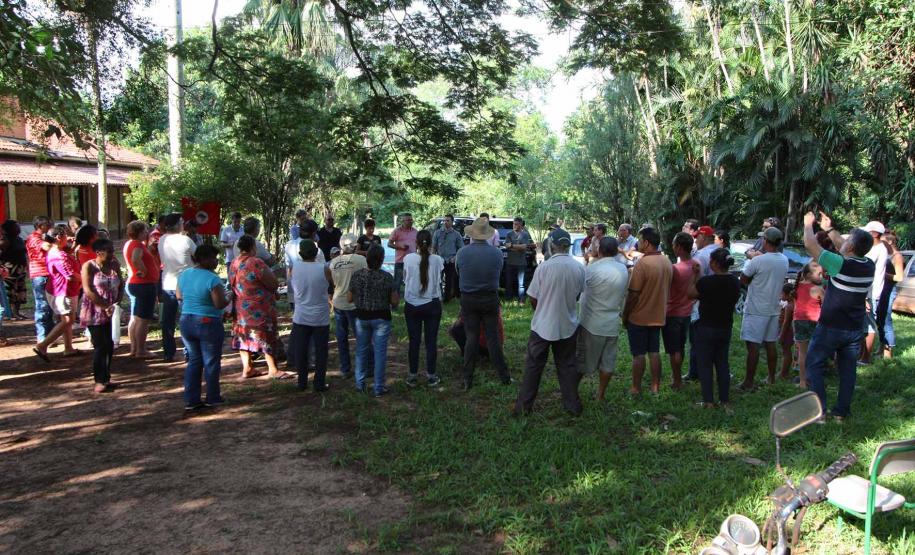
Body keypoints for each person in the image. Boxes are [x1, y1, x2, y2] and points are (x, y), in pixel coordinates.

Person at [802, 211, 874, 421]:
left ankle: (819, 411)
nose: (844, 241)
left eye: (848, 239)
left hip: (831, 327)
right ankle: (841, 413)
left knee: (814, 364)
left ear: (851, 247)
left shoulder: (840, 264)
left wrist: (808, 225)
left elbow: (810, 245)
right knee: (847, 372)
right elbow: (847, 245)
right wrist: (830, 229)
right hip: (854, 328)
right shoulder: (868, 264)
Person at [513, 227, 586, 415]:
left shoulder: (544, 267)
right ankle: (572, 406)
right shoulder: (579, 268)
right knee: (567, 366)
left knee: (533, 367)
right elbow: (578, 294)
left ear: (551, 246)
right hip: (568, 324)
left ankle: (523, 407)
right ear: (567, 246)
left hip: (543, 325)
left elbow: (533, 297)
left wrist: (542, 310)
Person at [456, 218, 511, 389]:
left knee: (471, 338)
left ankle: (467, 378)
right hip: (489, 298)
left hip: (469, 298)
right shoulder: (496, 253)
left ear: (472, 234)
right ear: (487, 235)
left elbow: (459, 272)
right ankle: (504, 376)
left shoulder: (462, 253)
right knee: (492, 337)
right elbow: (499, 271)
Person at [177, 244, 230, 410]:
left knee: (194, 360)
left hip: (186, 320)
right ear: (204, 259)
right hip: (208, 321)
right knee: (211, 361)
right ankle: (212, 396)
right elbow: (219, 303)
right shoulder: (212, 279)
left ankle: (191, 399)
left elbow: (179, 295)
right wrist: (229, 297)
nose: (216, 261)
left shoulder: (185, 274)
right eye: (214, 258)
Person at [576, 237, 628, 401]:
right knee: (608, 362)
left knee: (582, 361)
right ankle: (600, 395)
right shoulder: (623, 269)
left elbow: (579, 289)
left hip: (591, 323)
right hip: (611, 323)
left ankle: (572, 392)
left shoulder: (592, 269)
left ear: (600, 250)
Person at [622, 227, 672, 395]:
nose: (638, 243)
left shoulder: (643, 263)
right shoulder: (666, 261)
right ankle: (655, 386)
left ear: (647, 243)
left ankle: (636, 387)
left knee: (638, 354)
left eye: (640, 240)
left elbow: (633, 294)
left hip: (639, 316)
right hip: (658, 315)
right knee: (654, 352)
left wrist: (626, 315)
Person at [230, 235, 288, 380]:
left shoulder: (234, 263)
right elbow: (273, 283)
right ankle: (273, 369)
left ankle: (248, 368)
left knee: (244, 337)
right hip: (259, 307)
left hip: (241, 307)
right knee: (266, 335)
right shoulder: (255, 262)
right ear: (253, 247)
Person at [738, 226, 788, 390]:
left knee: (752, 346)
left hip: (755, 308)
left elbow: (743, 280)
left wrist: (752, 258)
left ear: (766, 241)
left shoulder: (758, 261)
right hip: (773, 308)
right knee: (770, 343)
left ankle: (748, 382)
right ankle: (771, 377)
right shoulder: (784, 259)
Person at [689, 248, 740, 407]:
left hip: (705, 327)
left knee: (705, 364)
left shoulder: (706, 282)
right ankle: (724, 399)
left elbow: (691, 294)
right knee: (722, 363)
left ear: (715, 263)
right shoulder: (734, 281)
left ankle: (708, 400)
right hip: (725, 327)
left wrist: (696, 276)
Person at [348, 244, 399, 396]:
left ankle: (360, 384)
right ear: (382, 259)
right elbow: (394, 302)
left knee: (362, 350)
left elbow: (349, 298)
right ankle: (378, 387)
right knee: (380, 353)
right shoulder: (387, 277)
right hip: (381, 318)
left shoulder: (357, 275)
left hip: (362, 317)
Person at [79, 238, 123, 393]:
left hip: (111, 310)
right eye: (109, 251)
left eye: (112, 250)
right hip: (94, 310)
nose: (112, 254)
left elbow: (121, 283)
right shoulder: (89, 266)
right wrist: (104, 306)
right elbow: (88, 290)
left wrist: (116, 302)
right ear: (99, 252)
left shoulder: (114, 264)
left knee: (109, 344)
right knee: (100, 345)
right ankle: (99, 379)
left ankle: (106, 377)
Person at [288, 239, 333, 392]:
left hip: (301, 315)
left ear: (300, 254)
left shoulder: (294, 267)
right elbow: (331, 285)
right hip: (320, 316)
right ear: (316, 252)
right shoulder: (324, 268)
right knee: (321, 351)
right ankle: (319, 383)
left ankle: (302, 382)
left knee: (301, 350)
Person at [32, 227, 82, 361]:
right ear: (59, 238)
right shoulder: (58, 255)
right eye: (65, 236)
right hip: (63, 291)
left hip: (62, 290)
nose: (68, 237)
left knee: (66, 319)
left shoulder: (58, 251)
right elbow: (70, 275)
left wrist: (72, 245)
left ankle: (68, 348)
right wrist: (85, 278)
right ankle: (43, 345)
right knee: (68, 320)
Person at [402, 230, 444, 387]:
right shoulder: (438, 260)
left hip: (412, 304)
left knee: (414, 341)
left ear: (416, 243)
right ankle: (431, 375)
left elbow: (406, 279)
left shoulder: (408, 258)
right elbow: (439, 280)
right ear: (431, 243)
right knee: (431, 341)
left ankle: (412, 375)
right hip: (432, 304)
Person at [159, 213, 197, 362]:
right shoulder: (186, 240)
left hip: (168, 282)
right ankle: (189, 351)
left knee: (168, 320)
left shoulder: (162, 239)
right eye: (182, 222)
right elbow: (198, 255)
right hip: (185, 284)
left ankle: (168, 352)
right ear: (177, 225)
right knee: (187, 318)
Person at [664, 232, 698, 390]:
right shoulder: (697, 265)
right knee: (681, 346)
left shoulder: (674, 269)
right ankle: (677, 376)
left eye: (673, 244)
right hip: (687, 313)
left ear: (678, 247)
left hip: (672, 313)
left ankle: (677, 380)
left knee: (674, 350)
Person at [329, 234, 366, 379]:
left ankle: (345, 369)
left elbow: (332, 282)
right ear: (356, 246)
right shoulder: (361, 260)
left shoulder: (333, 262)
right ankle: (365, 368)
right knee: (361, 337)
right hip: (355, 303)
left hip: (339, 302)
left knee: (342, 337)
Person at [685, 226, 719, 382]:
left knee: (696, 339)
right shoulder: (720, 252)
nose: (695, 240)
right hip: (719, 303)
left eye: (697, 237)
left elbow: (693, 278)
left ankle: (695, 372)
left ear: (704, 237)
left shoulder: (701, 255)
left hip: (700, 303)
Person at [123, 220, 159, 359]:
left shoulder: (130, 243)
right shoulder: (137, 245)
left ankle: (135, 347)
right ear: (139, 232)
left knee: (137, 318)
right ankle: (141, 350)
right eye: (145, 230)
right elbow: (136, 259)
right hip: (143, 284)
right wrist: (143, 271)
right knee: (143, 319)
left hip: (136, 284)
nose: (147, 232)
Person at [859, 220, 888, 364]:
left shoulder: (876, 250)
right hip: (869, 292)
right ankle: (862, 355)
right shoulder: (878, 248)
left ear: (875, 234)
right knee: (865, 324)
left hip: (870, 293)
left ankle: (866, 358)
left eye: (868, 232)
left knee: (869, 325)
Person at [792, 262, 824, 389]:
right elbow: (825, 307)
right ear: (809, 275)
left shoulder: (797, 286)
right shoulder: (818, 289)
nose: (822, 276)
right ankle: (813, 379)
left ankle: (802, 381)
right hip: (814, 322)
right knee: (815, 352)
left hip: (798, 321)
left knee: (802, 353)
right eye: (819, 274)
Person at [876, 230, 905, 359]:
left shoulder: (897, 256)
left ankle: (888, 353)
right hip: (881, 290)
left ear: (890, 241)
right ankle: (881, 347)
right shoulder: (885, 255)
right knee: (880, 319)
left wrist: (882, 274)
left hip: (889, 290)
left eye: (882, 241)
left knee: (886, 321)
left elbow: (899, 277)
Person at [26, 216, 55, 342]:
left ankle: (49, 335)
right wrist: (56, 242)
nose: (50, 226)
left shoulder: (43, 237)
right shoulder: (34, 238)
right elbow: (46, 247)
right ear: (41, 226)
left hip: (48, 274)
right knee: (42, 305)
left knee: (49, 305)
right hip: (40, 274)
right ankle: (42, 336)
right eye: (48, 224)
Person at [0, 220, 28, 320]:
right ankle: (11, 313)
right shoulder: (5, 240)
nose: (19, 228)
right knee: (11, 292)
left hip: (20, 271)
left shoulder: (19, 239)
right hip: (10, 272)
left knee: (20, 292)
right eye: (16, 226)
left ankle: (17, 312)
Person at [432, 214, 464, 303]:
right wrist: (433, 257)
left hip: (450, 260)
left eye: (448, 220)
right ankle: (438, 297)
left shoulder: (456, 234)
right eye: (444, 220)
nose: (445, 222)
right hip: (439, 259)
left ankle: (447, 299)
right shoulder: (438, 233)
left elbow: (461, 248)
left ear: (452, 222)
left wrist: (455, 257)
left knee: (449, 280)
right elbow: (434, 247)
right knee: (437, 279)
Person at [504, 217, 534, 302]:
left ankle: (521, 299)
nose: (514, 225)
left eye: (516, 224)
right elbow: (507, 246)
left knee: (521, 284)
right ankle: (508, 299)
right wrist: (519, 247)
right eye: (513, 224)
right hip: (510, 262)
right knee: (508, 282)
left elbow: (524, 248)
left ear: (521, 224)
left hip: (521, 263)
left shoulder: (525, 234)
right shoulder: (509, 234)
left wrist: (512, 246)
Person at [388, 212, 417, 293]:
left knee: (412, 281)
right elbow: (389, 244)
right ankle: (395, 300)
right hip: (400, 261)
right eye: (408, 220)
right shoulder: (397, 231)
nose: (411, 221)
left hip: (412, 261)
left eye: (411, 220)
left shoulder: (415, 232)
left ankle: (411, 297)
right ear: (403, 221)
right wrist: (400, 247)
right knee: (397, 282)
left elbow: (418, 245)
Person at [778, 283, 795, 380]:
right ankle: (784, 372)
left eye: (782, 294)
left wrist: (781, 335)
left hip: (787, 332)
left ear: (788, 295)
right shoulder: (792, 304)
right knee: (786, 352)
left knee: (786, 352)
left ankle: (783, 373)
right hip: (789, 331)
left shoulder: (789, 306)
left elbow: (786, 323)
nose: (781, 296)